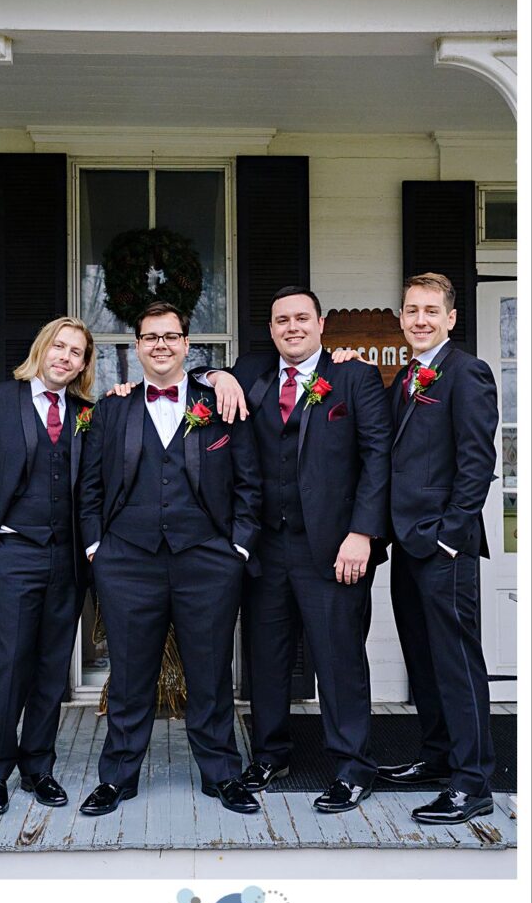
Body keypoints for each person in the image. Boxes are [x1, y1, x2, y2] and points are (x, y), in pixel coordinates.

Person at [208, 287, 393, 813]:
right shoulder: (249, 372)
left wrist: (363, 533)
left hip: (335, 548)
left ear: (321, 323)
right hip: (265, 547)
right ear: (270, 329)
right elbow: (194, 380)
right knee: (266, 658)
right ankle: (270, 755)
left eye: (301, 318)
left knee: (338, 657)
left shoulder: (353, 377)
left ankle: (353, 768)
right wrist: (217, 375)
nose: (292, 327)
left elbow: (377, 457)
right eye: (281, 320)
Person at [78, 301, 262, 816]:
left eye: (171, 336)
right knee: (131, 676)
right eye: (150, 337)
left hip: (207, 560)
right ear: (136, 347)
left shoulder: (221, 402)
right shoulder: (110, 409)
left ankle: (222, 775)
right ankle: (117, 779)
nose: (161, 345)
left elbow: (250, 482)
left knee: (210, 674)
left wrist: (237, 548)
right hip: (127, 561)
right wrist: (97, 548)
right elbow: (89, 486)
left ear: (187, 344)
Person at [0, 317, 96, 815]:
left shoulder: (86, 413)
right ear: (42, 348)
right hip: (11, 554)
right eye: (59, 346)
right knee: (9, 667)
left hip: (68, 560)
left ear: (83, 364)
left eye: (76, 352)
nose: (65, 357)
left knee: (52, 671)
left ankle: (39, 768)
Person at [377, 272, 499, 825]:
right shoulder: (406, 376)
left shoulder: (466, 373)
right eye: (411, 310)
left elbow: (477, 464)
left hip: (444, 546)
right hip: (408, 544)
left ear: (451, 318)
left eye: (431, 310)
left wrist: (450, 537)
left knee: (455, 663)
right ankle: (437, 757)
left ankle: (473, 782)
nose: (419, 319)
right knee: (422, 660)